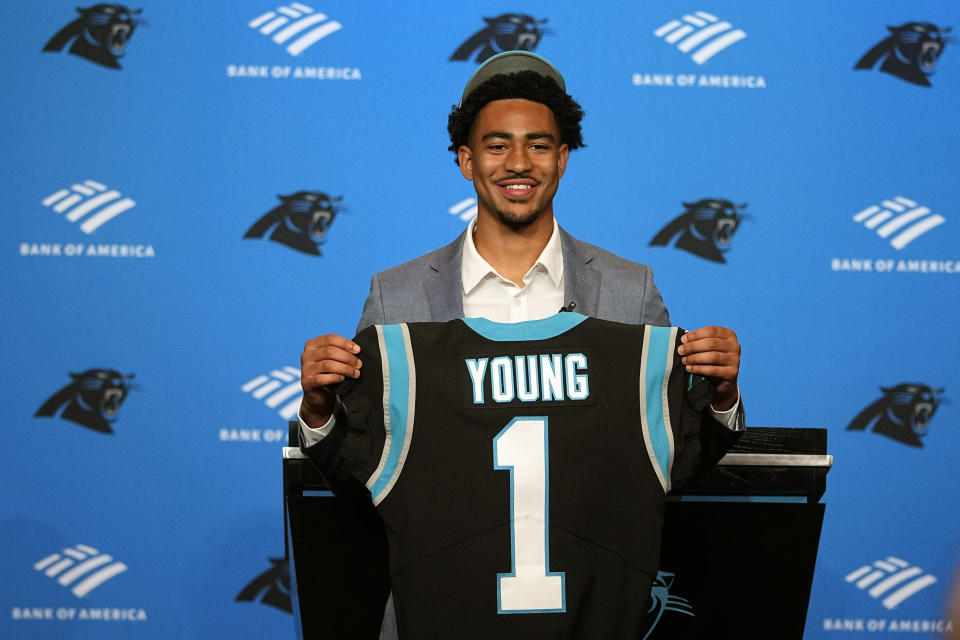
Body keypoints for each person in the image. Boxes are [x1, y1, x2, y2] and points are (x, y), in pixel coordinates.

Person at [299, 51, 744, 638]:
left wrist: (720, 397)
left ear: (562, 160)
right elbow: (357, 477)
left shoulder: (629, 291)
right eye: (496, 144)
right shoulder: (396, 295)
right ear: (466, 160)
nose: (518, 162)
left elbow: (672, 460)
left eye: (538, 145)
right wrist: (318, 411)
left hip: (588, 617)